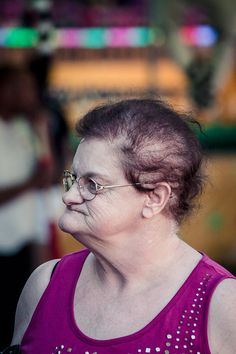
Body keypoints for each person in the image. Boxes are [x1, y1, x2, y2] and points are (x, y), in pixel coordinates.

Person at [8, 99, 236, 354]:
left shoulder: (221, 306)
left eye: (92, 184)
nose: (69, 196)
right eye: (72, 178)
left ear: (154, 198)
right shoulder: (45, 285)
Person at [0, 64, 53, 349]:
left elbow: (47, 176)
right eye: (25, 88)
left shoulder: (22, 127)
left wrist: (42, 132)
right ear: (6, 91)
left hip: (23, 244)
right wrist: (30, 183)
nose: (33, 95)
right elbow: (37, 182)